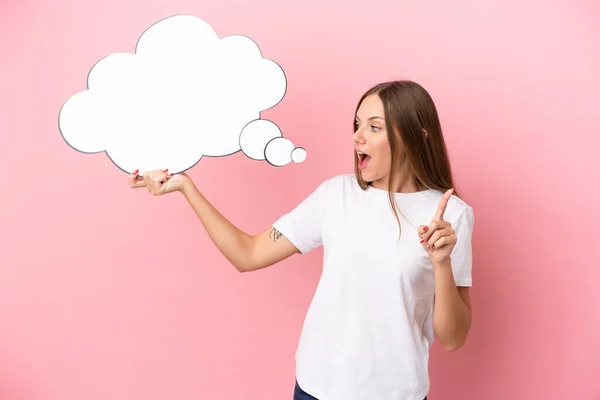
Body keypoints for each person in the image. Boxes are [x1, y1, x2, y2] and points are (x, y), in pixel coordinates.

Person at [128, 80, 474, 400]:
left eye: (374, 127)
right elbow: (247, 254)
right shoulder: (335, 195)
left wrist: (441, 263)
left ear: (417, 135)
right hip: (315, 387)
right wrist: (186, 186)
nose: (357, 137)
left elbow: (454, 338)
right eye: (356, 125)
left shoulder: (451, 215)